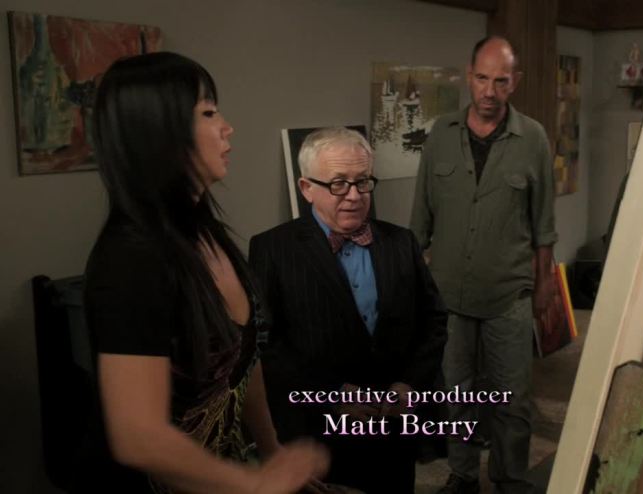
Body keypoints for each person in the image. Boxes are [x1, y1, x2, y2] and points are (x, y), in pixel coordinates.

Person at [71, 51, 328, 494]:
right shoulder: (130, 260)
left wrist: (271, 450)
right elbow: (138, 437)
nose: (228, 127)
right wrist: (256, 484)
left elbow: (244, 358)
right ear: (160, 132)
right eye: (208, 112)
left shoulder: (207, 232)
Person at [249, 127, 448, 494]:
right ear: (306, 188)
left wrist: (409, 383)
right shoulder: (272, 250)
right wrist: (334, 395)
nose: (354, 196)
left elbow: (432, 321)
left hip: (392, 430)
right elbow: (267, 344)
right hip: (317, 435)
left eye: (363, 182)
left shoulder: (401, 242)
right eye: (339, 183)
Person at [410, 36, 558, 494]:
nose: (489, 91)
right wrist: (411, 285)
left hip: (508, 293)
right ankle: (463, 473)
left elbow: (544, 225)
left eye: (501, 81)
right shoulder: (441, 134)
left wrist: (545, 285)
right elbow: (420, 218)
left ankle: (509, 476)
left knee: (512, 398)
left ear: (516, 82)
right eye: (481, 79)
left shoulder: (533, 138)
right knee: (456, 392)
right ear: (468, 75)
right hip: (449, 293)